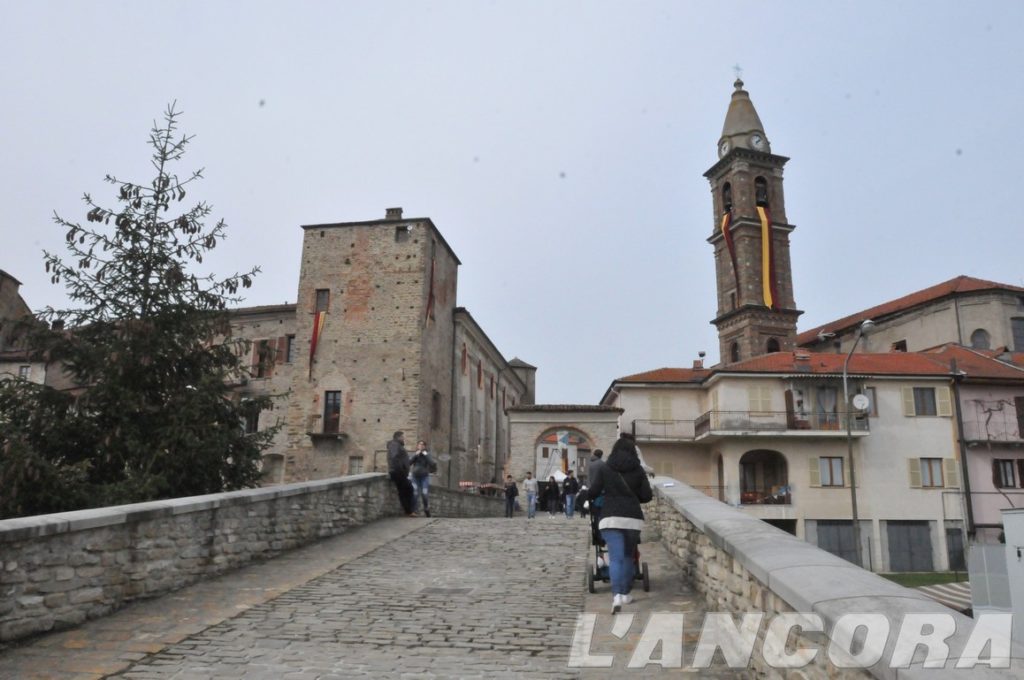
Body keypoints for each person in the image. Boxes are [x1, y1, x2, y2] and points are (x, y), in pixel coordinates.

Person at [587, 435, 653, 614]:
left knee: (615, 557)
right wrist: (632, 497)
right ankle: (625, 593)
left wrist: (583, 498)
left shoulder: (606, 468)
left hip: (610, 517)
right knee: (627, 557)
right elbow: (647, 496)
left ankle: (616, 596)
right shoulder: (638, 470)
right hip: (632, 518)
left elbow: (594, 490)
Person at [387, 431, 416, 516]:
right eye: (403, 437)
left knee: (405, 490)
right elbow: (394, 458)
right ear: (398, 437)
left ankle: (409, 511)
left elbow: (402, 460)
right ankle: (409, 511)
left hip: (399, 472)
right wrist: (401, 469)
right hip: (397, 472)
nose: (404, 438)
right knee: (407, 489)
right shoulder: (394, 445)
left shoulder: (398, 445)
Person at [409, 440, 436, 517]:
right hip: (415, 477)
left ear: (424, 446)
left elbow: (432, 463)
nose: (421, 446)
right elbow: (408, 462)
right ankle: (414, 511)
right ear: (417, 446)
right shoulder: (415, 454)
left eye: (422, 445)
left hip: (424, 477)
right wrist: (415, 455)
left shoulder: (427, 454)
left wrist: (426, 455)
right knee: (415, 493)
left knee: (424, 494)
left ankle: (426, 508)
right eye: (419, 444)